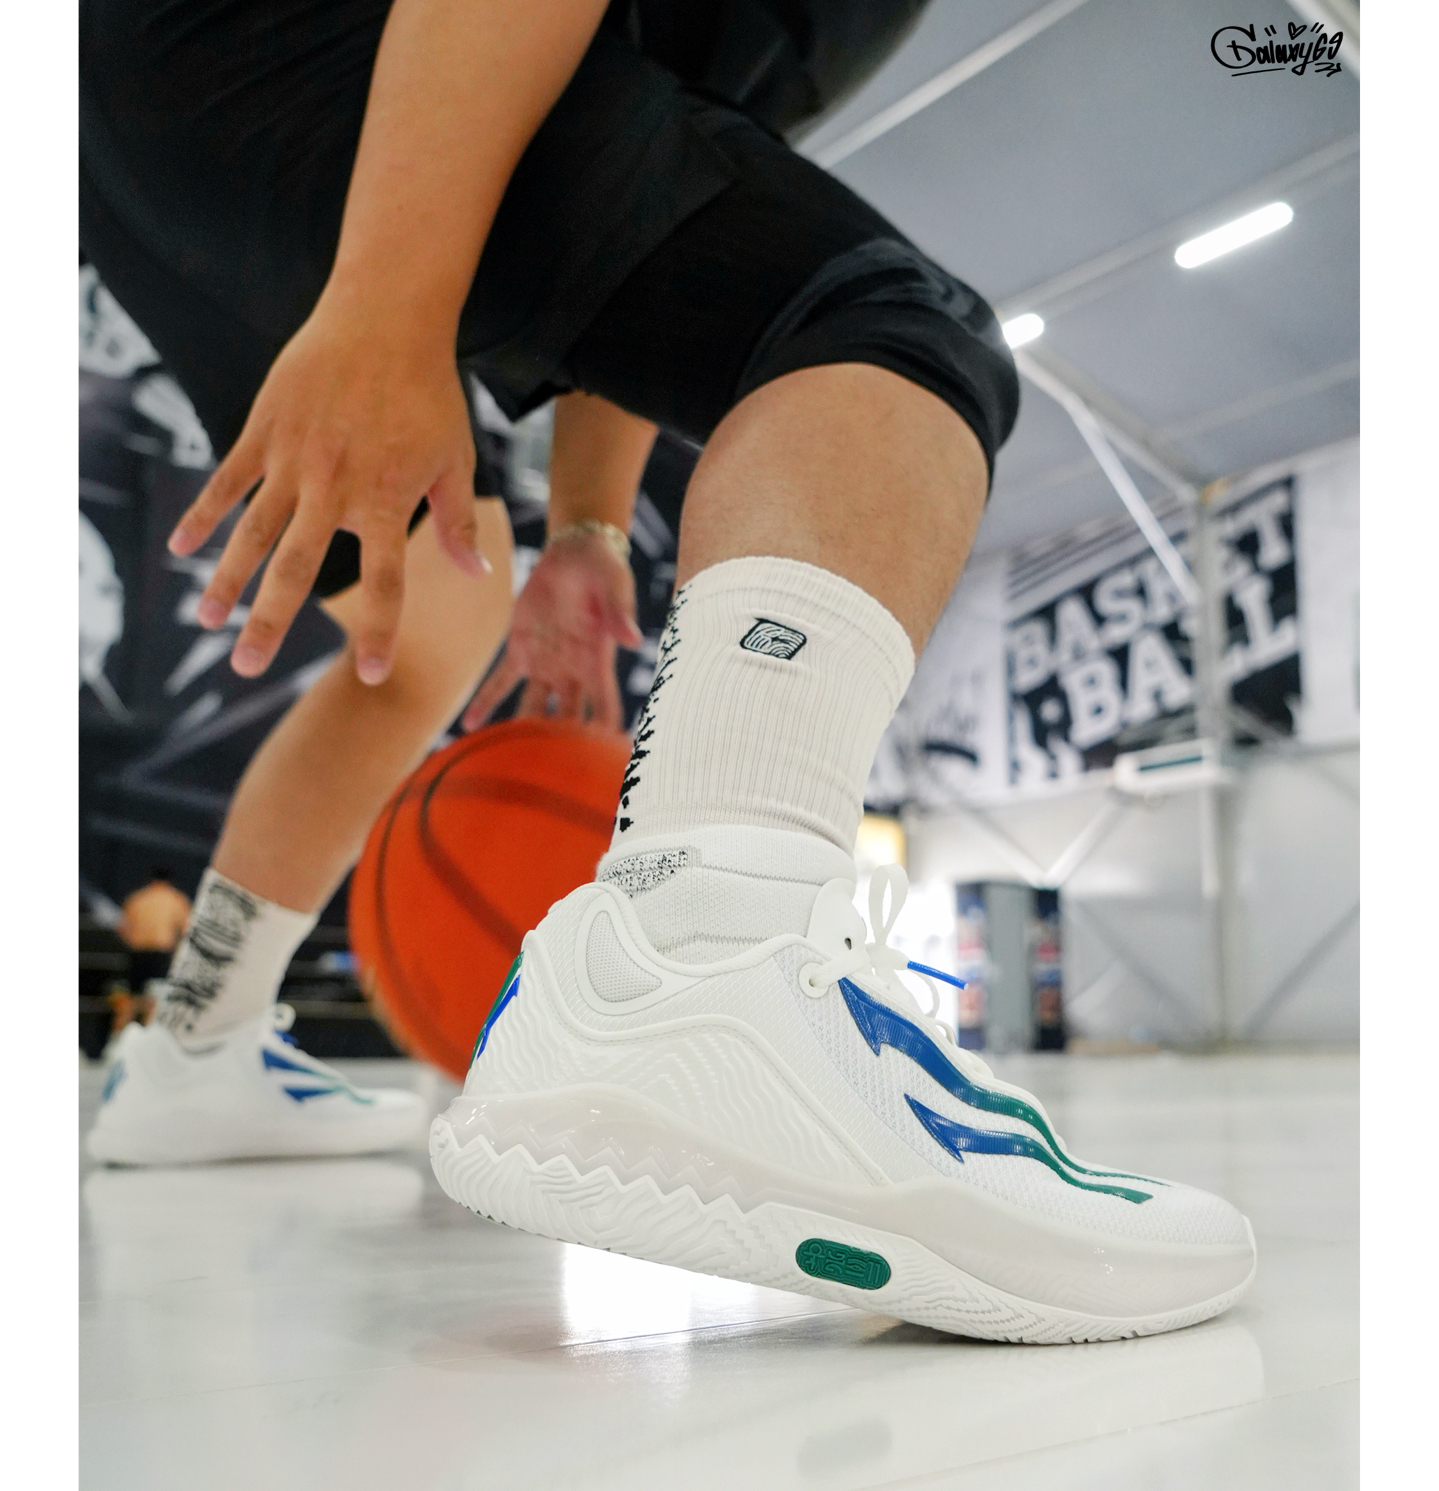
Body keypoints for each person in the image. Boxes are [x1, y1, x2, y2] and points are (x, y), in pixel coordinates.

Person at [79, 0, 1255, 1334]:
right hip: (315, 45)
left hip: (139, 128)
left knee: (428, 619)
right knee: (890, 331)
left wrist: (585, 529)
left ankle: (197, 1046)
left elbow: (640, 214)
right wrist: (387, 305)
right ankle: (706, 962)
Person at [106, 867, 192, 1038]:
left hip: (137, 954)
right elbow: (186, 930)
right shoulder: (176, 899)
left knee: (130, 1001)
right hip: (160, 955)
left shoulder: (137, 898)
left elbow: (123, 929)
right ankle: (147, 1040)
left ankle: (116, 1041)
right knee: (154, 1001)